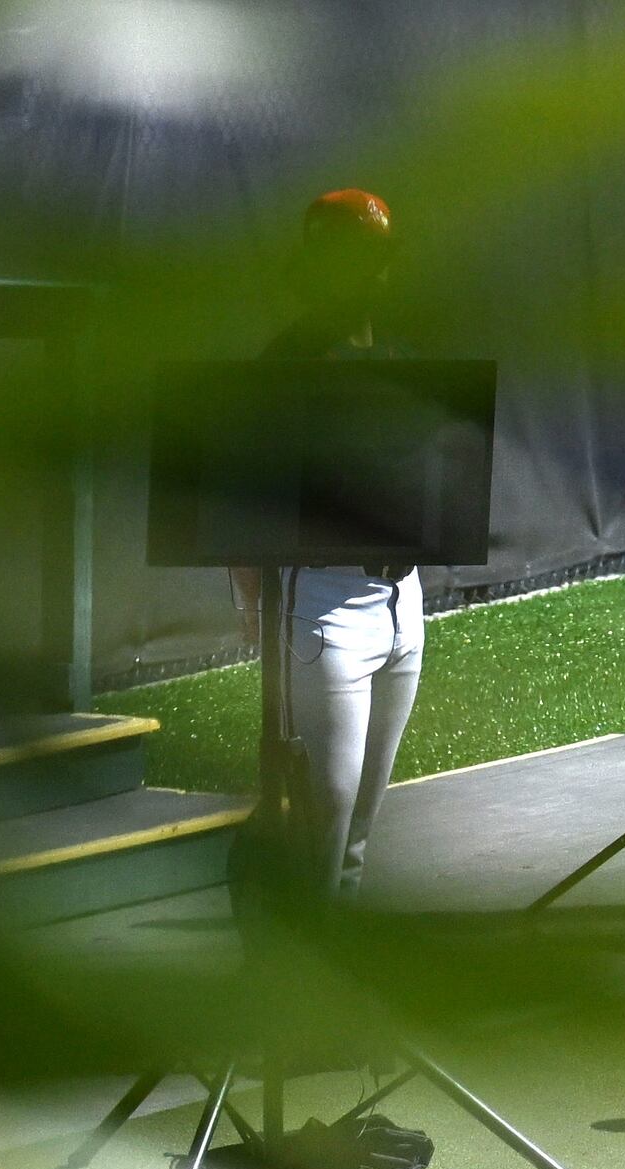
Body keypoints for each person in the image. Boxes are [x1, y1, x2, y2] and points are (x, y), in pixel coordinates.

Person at [248, 186, 423, 908]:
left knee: (355, 834)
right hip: (322, 602)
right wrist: (249, 599)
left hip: (399, 598)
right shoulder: (287, 357)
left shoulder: (403, 349)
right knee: (326, 822)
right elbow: (241, 485)